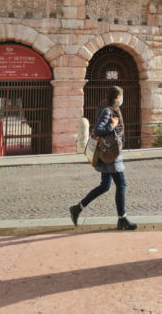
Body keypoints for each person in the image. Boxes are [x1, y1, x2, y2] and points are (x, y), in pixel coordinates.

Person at [69, 85, 137, 231]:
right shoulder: (107, 111)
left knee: (105, 186)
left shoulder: (109, 109)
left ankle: (77, 208)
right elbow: (97, 130)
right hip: (111, 155)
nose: (122, 99)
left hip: (111, 153)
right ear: (118, 97)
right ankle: (122, 219)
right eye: (121, 96)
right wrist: (112, 125)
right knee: (121, 184)